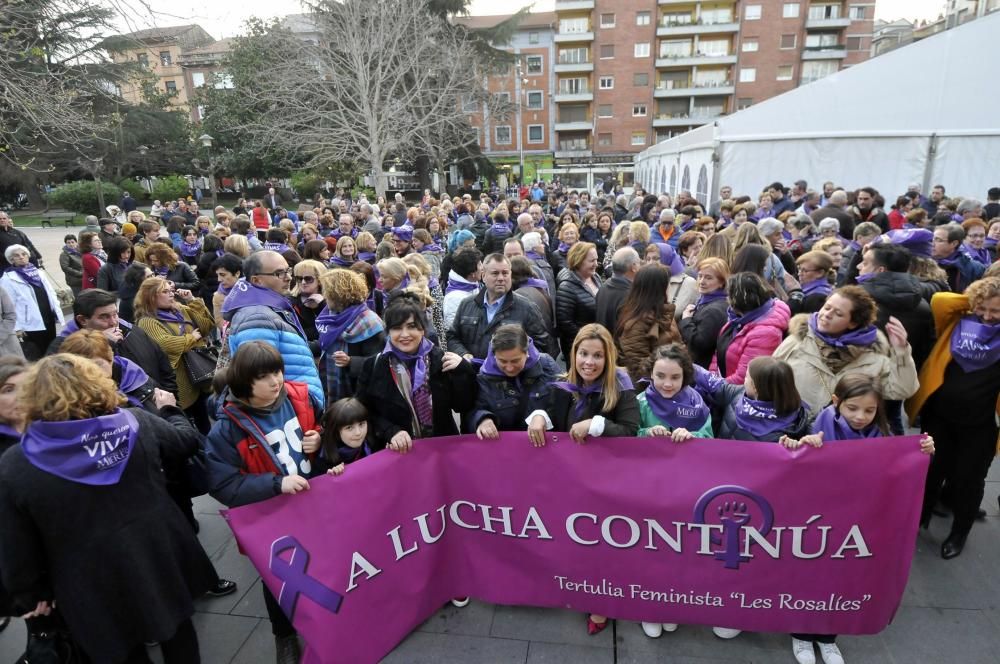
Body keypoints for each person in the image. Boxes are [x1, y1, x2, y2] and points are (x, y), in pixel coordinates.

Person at [0, 354, 217, 664]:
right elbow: (185, 442)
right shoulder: (136, 423)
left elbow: (16, 546)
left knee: (123, 650)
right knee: (179, 631)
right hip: (159, 552)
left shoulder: (16, 465)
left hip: (89, 578)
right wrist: (169, 408)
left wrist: (30, 594)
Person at [781, 374, 934, 664]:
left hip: (855, 523)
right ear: (837, 402)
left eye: (869, 410)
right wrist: (802, 446)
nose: (861, 416)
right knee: (809, 577)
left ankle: (828, 637)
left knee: (842, 578)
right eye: (853, 408)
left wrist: (923, 451)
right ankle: (801, 634)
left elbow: (898, 469)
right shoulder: (818, 428)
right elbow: (789, 463)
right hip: (816, 521)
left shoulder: (882, 437)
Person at [205, 341, 325, 663]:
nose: (275, 381)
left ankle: (325, 618)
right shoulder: (227, 429)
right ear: (245, 382)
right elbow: (222, 483)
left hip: (314, 502)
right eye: (264, 376)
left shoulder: (301, 396)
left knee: (325, 560)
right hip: (272, 514)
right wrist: (275, 484)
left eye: (277, 371)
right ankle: (284, 634)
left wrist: (319, 437)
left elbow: (325, 427)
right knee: (278, 578)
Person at [526, 323, 639, 635]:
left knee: (603, 545)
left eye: (597, 356)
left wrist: (597, 423)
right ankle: (573, 588)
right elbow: (546, 410)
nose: (589, 362)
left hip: (609, 485)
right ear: (573, 354)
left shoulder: (622, 387)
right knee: (573, 540)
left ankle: (602, 601)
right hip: (570, 482)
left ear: (609, 357)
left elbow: (631, 431)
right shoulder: (562, 385)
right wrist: (539, 416)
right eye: (583, 354)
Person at [907, 277, 1000, 559]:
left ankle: (959, 533)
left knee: (968, 481)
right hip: (939, 417)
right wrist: (977, 298)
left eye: (995, 311)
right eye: (981, 308)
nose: (986, 316)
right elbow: (940, 300)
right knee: (931, 473)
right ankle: (915, 523)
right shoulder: (957, 321)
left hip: (981, 425)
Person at [773, 286, 919, 417]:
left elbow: (901, 390)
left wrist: (902, 352)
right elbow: (770, 380)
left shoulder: (874, 356)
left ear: (853, 323)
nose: (827, 314)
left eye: (838, 313)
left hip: (844, 437)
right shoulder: (797, 341)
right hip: (794, 431)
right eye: (827, 307)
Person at [357, 295, 478, 447]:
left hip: (441, 449)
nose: (405, 334)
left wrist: (463, 371)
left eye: (411, 326)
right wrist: (390, 431)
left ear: (422, 329)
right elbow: (364, 411)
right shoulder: (374, 365)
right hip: (397, 453)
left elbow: (462, 406)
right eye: (397, 328)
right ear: (388, 332)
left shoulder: (441, 360)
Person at [222, 251, 324, 403]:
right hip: (292, 408)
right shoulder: (256, 318)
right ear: (257, 280)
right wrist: (292, 410)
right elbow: (261, 384)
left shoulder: (269, 308)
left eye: (288, 271)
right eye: (280, 273)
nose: (289, 277)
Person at [448, 253, 554, 360]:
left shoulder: (526, 307)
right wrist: (463, 354)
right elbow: (452, 337)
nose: (501, 278)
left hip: (508, 375)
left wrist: (514, 362)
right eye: (495, 273)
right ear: (483, 276)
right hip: (471, 373)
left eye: (505, 273)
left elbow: (542, 345)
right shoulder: (467, 304)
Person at [468, 324, 560, 437]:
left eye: (515, 361)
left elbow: (562, 403)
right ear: (494, 355)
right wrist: (483, 419)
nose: (509, 367)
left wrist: (543, 416)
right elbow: (474, 408)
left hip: (543, 445)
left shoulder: (547, 366)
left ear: (527, 353)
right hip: (506, 447)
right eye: (503, 361)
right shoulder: (485, 376)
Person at [696, 356, 811, 442]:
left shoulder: (791, 432)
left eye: (746, 377)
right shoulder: (740, 393)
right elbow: (716, 384)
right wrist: (686, 365)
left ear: (755, 387)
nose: (744, 380)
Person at [316, 269, 385, 402]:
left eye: (326, 292)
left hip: (358, 396)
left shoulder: (369, 322)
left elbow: (380, 364)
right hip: (330, 390)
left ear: (338, 295)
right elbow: (324, 342)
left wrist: (350, 361)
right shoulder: (330, 315)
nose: (323, 296)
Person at [712, 273, 790, 385]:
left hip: (738, 395)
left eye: (729, 296)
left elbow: (743, 379)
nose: (727, 299)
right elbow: (718, 352)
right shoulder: (738, 318)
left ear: (738, 300)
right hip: (723, 387)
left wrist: (713, 387)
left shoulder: (765, 334)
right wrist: (712, 378)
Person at [615, 264, 683, 384]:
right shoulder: (636, 324)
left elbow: (679, 345)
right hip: (653, 390)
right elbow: (639, 368)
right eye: (667, 284)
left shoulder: (664, 314)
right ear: (659, 288)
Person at [1, 245, 63, 360]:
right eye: (16, 255)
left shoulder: (38, 272)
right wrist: (17, 327)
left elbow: (50, 292)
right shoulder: (8, 278)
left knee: (51, 349)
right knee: (38, 353)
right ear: (11, 259)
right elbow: (9, 305)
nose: (21, 257)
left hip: (47, 316)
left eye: (23, 254)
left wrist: (56, 308)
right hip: (30, 323)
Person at [679, 258, 731, 368]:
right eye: (700, 276)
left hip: (702, 368)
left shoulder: (714, 310)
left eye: (708, 278)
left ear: (721, 282)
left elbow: (699, 344)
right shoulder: (705, 300)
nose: (702, 281)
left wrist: (686, 320)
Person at [555, 242, 602, 359]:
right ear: (579, 261)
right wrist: (589, 337)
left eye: (596, 260)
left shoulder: (595, 277)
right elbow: (565, 324)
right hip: (578, 348)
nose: (596, 264)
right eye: (592, 261)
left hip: (597, 342)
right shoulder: (566, 287)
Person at [320, 397, 379, 473]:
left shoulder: (371, 442)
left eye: (361, 424)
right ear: (336, 430)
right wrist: (331, 477)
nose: (358, 433)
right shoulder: (324, 458)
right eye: (349, 428)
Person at [595, 247, 640, 334]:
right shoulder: (630, 296)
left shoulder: (603, 287)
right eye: (639, 262)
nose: (641, 265)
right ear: (633, 267)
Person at [932, 223, 986, 293]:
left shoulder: (976, 269)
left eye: (938, 240)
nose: (932, 244)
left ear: (954, 244)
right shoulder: (924, 264)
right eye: (932, 239)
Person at [288, 259, 326, 348]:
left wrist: (322, 305)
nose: (303, 282)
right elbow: (295, 334)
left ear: (320, 280)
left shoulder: (331, 301)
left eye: (308, 279)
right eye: (299, 278)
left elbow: (334, 329)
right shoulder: (289, 302)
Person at [791, 250, 834, 314]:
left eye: (804, 270)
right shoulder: (807, 290)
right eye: (799, 269)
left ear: (820, 273)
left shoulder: (817, 298)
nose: (799, 274)